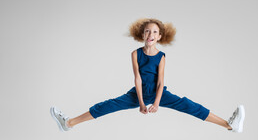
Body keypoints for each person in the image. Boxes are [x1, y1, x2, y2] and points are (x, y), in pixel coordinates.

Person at [50, 18, 245, 133]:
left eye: (154, 32)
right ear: (142, 35)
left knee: (189, 105)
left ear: (160, 36)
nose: (150, 34)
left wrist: (157, 103)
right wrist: (142, 103)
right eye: (147, 31)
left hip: (159, 94)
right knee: (107, 106)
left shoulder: (161, 57)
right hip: (138, 93)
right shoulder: (135, 54)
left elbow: (161, 82)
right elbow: (137, 79)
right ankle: (68, 123)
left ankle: (229, 125)